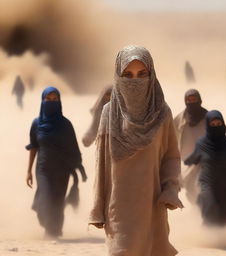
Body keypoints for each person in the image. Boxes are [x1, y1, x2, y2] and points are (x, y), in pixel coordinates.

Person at [89, 45, 183, 256]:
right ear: (118, 76)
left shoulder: (162, 113)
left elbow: (171, 156)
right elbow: (101, 164)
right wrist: (97, 208)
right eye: (128, 75)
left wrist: (170, 189)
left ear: (151, 75)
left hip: (151, 206)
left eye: (142, 74)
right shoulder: (109, 113)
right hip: (118, 208)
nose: (135, 81)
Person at [26, 87, 86, 238]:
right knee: (45, 199)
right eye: (48, 99)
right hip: (43, 169)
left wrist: (78, 167)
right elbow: (33, 147)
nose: (51, 102)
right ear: (43, 101)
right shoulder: (36, 123)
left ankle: (53, 231)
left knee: (58, 202)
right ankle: (47, 226)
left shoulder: (65, 124)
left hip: (62, 170)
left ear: (59, 101)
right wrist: (28, 171)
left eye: (55, 99)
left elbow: (74, 147)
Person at [184, 110, 226, 227]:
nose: (216, 127)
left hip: (225, 183)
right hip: (207, 182)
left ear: (223, 124)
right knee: (210, 206)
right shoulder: (201, 144)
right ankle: (204, 235)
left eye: (218, 124)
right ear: (208, 126)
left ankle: (219, 238)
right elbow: (193, 158)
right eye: (213, 124)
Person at [174, 89, 207, 203]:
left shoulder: (208, 117)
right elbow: (172, 137)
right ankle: (196, 209)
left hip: (205, 159)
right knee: (189, 185)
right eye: (189, 100)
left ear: (199, 100)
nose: (191, 102)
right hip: (187, 161)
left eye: (194, 100)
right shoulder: (180, 118)